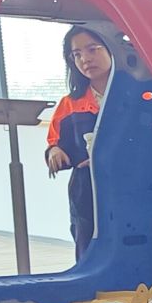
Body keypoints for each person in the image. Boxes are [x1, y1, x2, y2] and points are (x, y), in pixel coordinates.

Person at [45, 26, 112, 258]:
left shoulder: (135, 96)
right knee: (87, 251)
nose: (85, 59)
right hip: (86, 192)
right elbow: (55, 143)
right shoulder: (70, 104)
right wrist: (54, 151)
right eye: (77, 54)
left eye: (92, 49)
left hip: (129, 188)